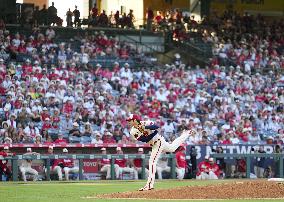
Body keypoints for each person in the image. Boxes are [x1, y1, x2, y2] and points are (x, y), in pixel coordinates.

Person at [127, 114, 195, 191]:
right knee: (172, 148)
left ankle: (149, 185)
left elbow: (156, 127)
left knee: (152, 162)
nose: (128, 122)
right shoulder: (133, 131)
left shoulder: (145, 123)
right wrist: (152, 133)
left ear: (135, 120)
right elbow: (144, 139)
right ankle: (186, 133)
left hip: (158, 142)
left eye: (130, 120)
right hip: (155, 143)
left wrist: (145, 127)